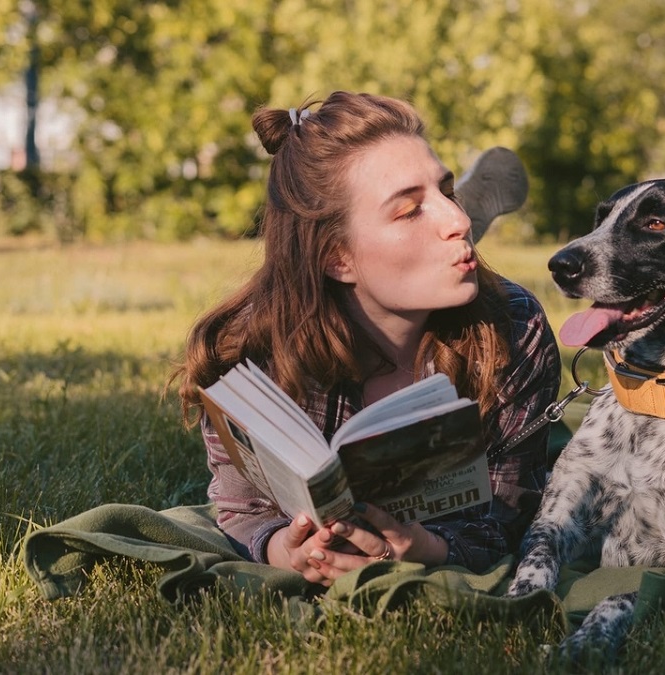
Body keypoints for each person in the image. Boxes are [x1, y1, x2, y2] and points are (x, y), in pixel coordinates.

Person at [174, 91, 561, 586]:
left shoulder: (513, 327)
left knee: (456, 258)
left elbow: (510, 516)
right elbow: (242, 508)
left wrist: (426, 549)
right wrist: (284, 551)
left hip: (427, 285)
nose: (457, 219)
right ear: (337, 257)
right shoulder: (247, 350)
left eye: (447, 193)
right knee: (448, 253)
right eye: (408, 209)